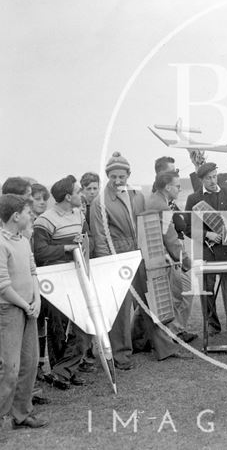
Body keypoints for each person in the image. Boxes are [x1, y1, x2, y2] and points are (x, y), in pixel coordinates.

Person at [0, 194, 48, 443]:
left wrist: (37, 299)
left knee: (30, 363)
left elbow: (32, 271)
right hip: (8, 311)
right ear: (15, 216)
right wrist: (25, 305)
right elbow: (1, 286)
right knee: (9, 369)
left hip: (29, 309)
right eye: (27, 212)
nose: (31, 215)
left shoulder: (24, 240)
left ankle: (22, 415)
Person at [33, 176, 91, 389]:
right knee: (58, 327)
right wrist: (66, 248)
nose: (81, 195)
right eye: (78, 191)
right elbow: (39, 252)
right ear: (68, 197)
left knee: (81, 326)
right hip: (55, 280)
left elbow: (86, 239)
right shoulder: (45, 220)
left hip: (78, 277)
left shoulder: (79, 213)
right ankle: (60, 372)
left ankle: (65, 369)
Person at [90, 152, 146, 371]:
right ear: (107, 176)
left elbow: (142, 224)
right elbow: (101, 237)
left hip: (138, 253)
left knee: (144, 301)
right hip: (117, 257)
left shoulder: (137, 195)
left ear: (128, 175)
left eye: (121, 176)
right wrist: (108, 265)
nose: (117, 181)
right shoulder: (99, 202)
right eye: (112, 177)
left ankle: (142, 342)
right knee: (120, 308)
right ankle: (120, 353)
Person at [131, 170, 195, 360]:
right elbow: (171, 239)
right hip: (154, 261)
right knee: (160, 304)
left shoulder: (152, 200)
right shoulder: (163, 207)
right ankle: (164, 347)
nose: (179, 189)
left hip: (144, 258)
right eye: (177, 186)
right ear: (167, 187)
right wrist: (186, 262)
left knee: (146, 305)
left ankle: (136, 342)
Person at [185, 163, 227, 333]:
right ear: (201, 179)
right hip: (206, 250)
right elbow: (187, 227)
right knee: (207, 291)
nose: (213, 180)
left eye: (215, 176)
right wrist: (207, 235)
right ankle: (212, 326)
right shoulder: (193, 199)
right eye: (208, 178)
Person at [152, 156, 195, 339]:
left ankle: (169, 333)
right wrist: (184, 259)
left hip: (172, 251)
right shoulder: (161, 202)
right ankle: (173, 333)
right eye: (173, 172)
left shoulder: (163, 199)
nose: (177, 175)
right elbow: (169, 236)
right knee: (181, 294)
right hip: (170, 255)